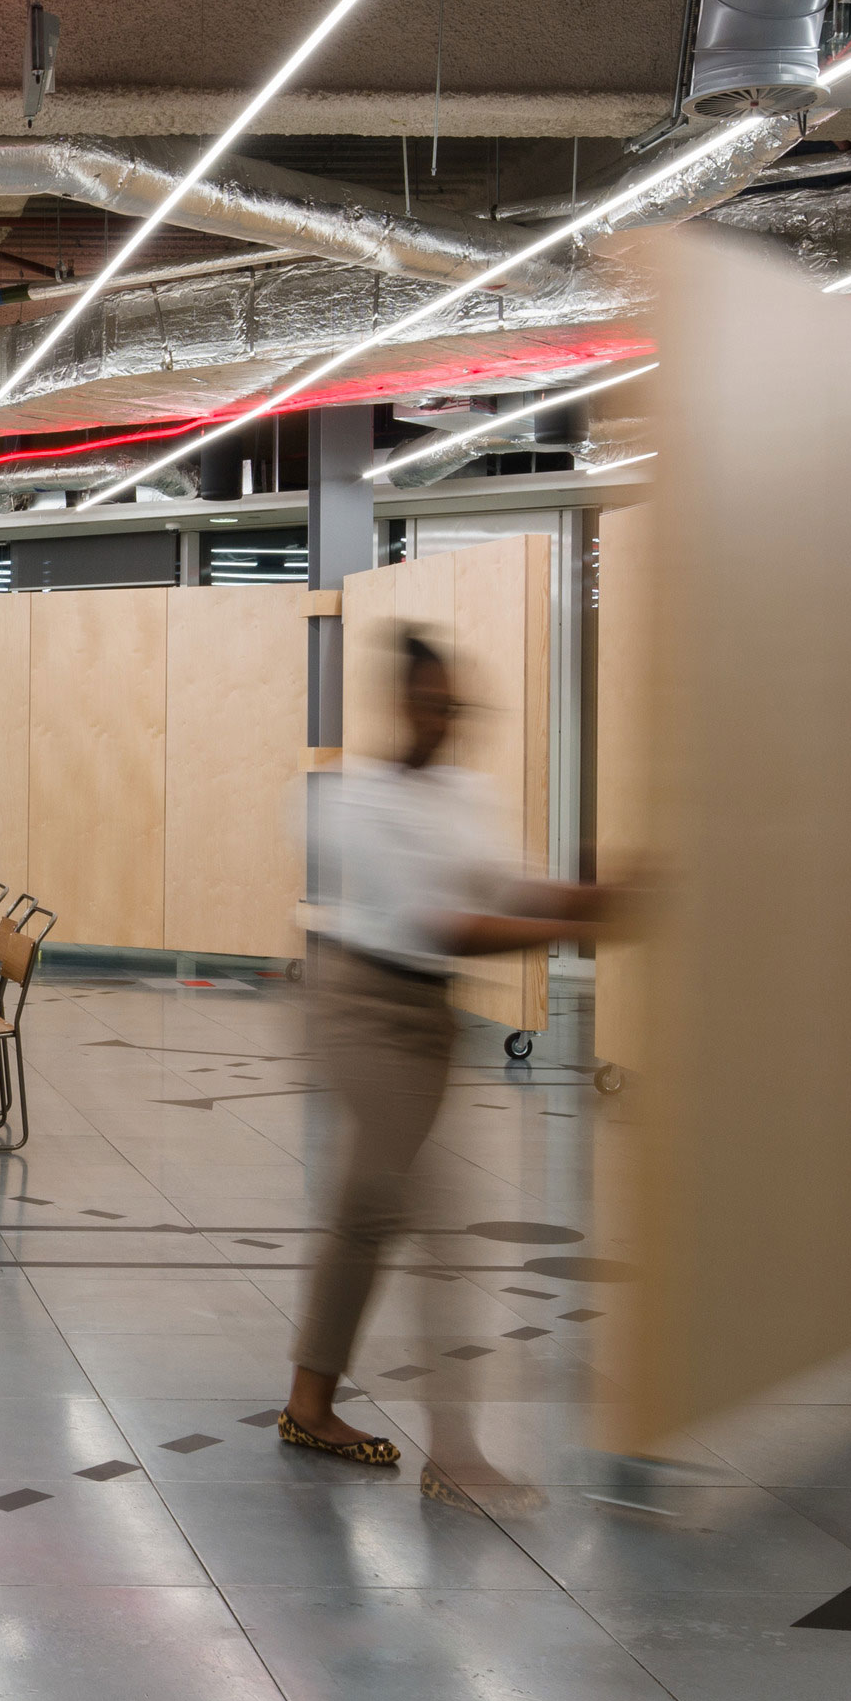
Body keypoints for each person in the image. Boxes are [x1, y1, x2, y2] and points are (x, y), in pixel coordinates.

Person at [282, 623, 624, 1484]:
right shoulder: (349, 799)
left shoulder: (464, 795)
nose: (445, 719)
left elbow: (503, 886)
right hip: (355, 1004)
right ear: (396, 704)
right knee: (433, 1207)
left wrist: (590, 893)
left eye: (455, 706)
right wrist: (583, 920)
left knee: (365, 1211)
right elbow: (445, 924)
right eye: (429, 704)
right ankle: (457, 1453)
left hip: (426, 1015)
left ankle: (306, 1405)